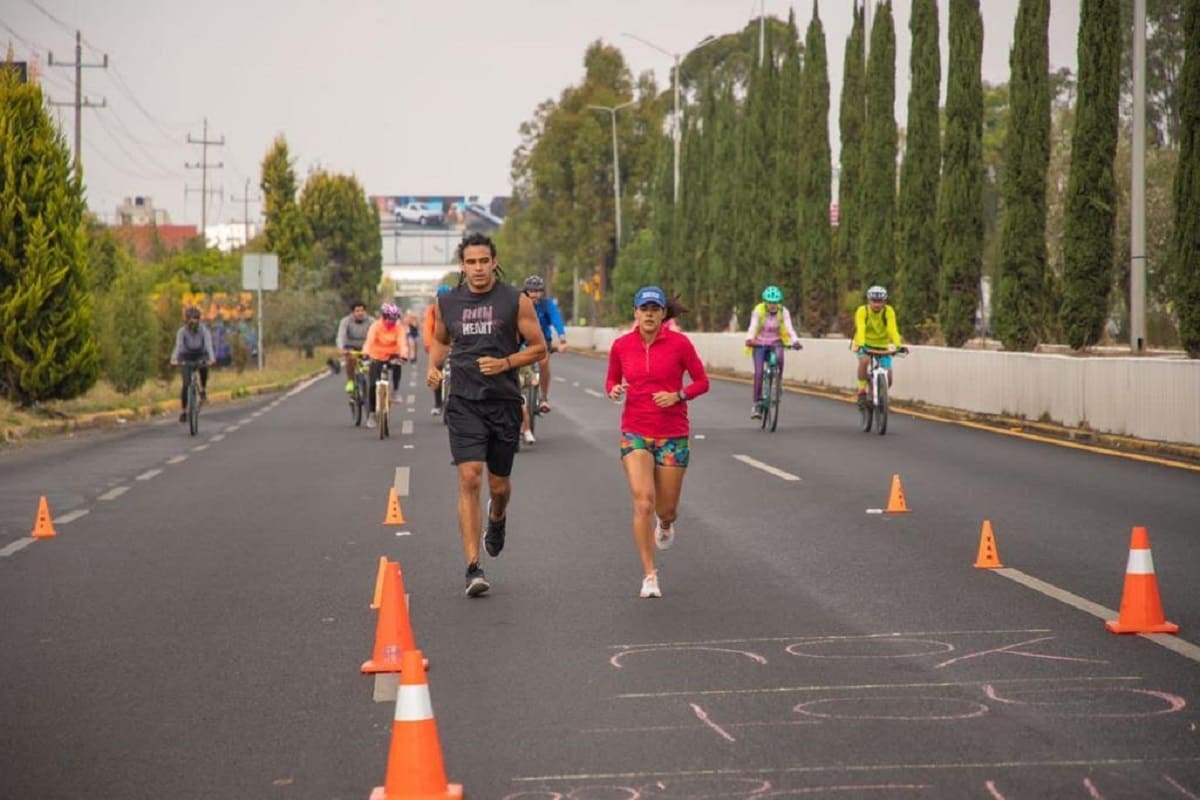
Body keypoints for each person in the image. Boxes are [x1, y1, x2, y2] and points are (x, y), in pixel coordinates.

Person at [427, 233, 546, 597]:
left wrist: (506, 362)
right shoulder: (449, 302)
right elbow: (441, 340)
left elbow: (540, 348)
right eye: (470, 262)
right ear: (462, 266)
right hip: (464, 402)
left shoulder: (515, 301)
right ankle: (473, 567)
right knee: (469, 477)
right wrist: (433, 368)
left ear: (494, 262)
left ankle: (497, 516)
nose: (477, 268)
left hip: (504, 402)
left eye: (483, 261)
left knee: (499, 486)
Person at [606, 286, 709, 599]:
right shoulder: (621, 345)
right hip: (635, 430)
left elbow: (702, 381)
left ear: (664, 314)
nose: (649, 314)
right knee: (643, 502)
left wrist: (677, 395)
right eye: (644, 308)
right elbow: (611, 379)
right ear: (635, 313)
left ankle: (665, 525)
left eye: (655, 308)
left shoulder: (680, 344)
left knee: (666, 509)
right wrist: (613, 389)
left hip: (673, 433)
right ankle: (649, 575)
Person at [744, 285, 803, 419]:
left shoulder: (784, 311)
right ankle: (757, 404)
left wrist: (795, 341)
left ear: (779, 302)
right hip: (759, 343)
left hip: (776, 341)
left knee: (780, 357)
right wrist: (749, 339)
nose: (772, 305)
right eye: (770, 302)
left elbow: (789, 328)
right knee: (759, 373)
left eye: (775, 302)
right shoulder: (758, 310)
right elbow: (752, 326)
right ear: (765, 302)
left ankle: (778, 382)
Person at [521, 276, 567, 414]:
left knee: (544, 362)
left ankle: (543, 398)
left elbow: (556, 319)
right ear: (526, 291)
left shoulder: (547, 305)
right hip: (523, 340)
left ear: (542, 292)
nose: (534, 294)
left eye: (538, 291)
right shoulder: (520, 303)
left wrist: (562, 337)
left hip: (542, 340)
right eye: (531, 291)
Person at [361, 303, 411, 428]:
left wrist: (403, 355)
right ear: (384, 317)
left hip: (392, 355)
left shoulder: (399, 328)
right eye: (389, 318)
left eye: (394, 318)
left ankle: (395, 391)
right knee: (373, 385)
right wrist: (366, 354)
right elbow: (369, 341)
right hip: (376, 356)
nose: (392, 321)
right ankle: (372, 413)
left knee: (397, 365)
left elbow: (402, 343)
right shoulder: (375, 326)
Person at [852, 285, 903, 407]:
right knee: (864, 361)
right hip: (864, 343)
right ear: (868, 300)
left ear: (885, 301)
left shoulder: (888, 311)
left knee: (889, 377)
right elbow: (861, 328)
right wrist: (862, 344)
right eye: (874, 301)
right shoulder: (862, 311)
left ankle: (879, 394)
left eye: (880, 301)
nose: (877, 304)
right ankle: (862, 391)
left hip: (882, 345)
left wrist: (898, 345)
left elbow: (892, 329)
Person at [170, 306, 216, 423]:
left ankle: (203, 390)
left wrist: (212, 359)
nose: (193, 321)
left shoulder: (204, 330)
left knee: (204, 366)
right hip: (186, 356)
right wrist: (174, 359)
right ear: (186, 320)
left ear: (199, 320)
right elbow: (178, 346)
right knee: (186, 384)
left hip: (200, 354)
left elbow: (208, 345)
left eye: (196, 318)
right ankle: (184, 411)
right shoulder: (182, 331)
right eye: (190, 318)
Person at [423, 285, 453, 415]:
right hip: (439, 345)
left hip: (454, 344)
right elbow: (428, 331)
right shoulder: (431, 311)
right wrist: (431, 347)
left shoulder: (457, 308)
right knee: (436, 372)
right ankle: (438, 404)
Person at [335, 302, 374, 393]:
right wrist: (341, 348)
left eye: (362, 310)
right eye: (357, 311)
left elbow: (377, 334)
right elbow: (341, 335)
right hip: (351, 347)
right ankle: (351, 381)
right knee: (350, 360)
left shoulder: (371, 321)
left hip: (366, 347)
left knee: (375, 363)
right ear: (352, 312)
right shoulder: (345, 321)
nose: (360, 313)